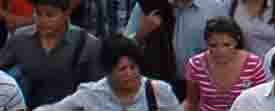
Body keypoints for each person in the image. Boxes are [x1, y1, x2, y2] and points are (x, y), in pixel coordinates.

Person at [125, 0, 228, 85]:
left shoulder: (213, 6)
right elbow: (124, 47)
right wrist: (142, 33)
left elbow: (228, 48)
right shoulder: (150, 4)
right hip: (159, 84)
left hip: (202, 85)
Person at [0, 0, 103, 107]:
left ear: (66, 14)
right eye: (38, 14)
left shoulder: (88, 43)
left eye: (50, 15)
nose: (42, 20)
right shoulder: (19, 39)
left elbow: (97, 89)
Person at [32, 35, 181, 111]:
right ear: (108, 71)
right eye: (122, 69)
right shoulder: (90, 93)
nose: (129, 73)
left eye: (133, 67)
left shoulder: (159, 91)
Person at [185, 17, 268, 111]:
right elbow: (192, 102)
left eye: (226, 45)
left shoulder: (253, 64)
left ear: (236, 41)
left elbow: (261, 100)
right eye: (213, 45)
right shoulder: (196, 64)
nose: (220, 51)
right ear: (206, 43)